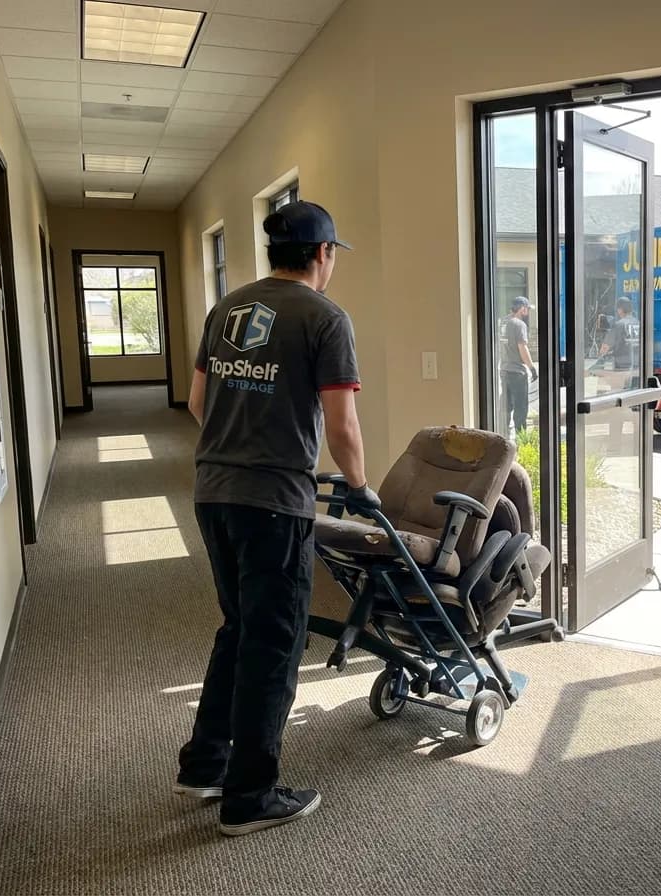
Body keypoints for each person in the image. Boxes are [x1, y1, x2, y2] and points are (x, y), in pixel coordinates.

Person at [176, 200, 379, 837]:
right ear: (323, 254)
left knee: (239, 626)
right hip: (272, 504)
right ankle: (250, 797)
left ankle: (206, 762)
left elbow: (197, 401)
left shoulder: (227, 308)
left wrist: (238, 444)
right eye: (332, 255)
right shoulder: (325, 318)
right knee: (275, 641)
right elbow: (342, 425)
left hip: (213, 492)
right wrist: (360, 486)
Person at [498, 296, 537, 436]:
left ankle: (502, 436)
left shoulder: (503, 322)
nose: (528, 312)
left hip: (504, 370)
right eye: (527, 309)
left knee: (506, 406)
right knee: (521, 408)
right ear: (522, 308)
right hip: (517, 372)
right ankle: (521, 439)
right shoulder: (519, 324)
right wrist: (532, 368)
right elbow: (523, 348)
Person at [599, 297, 641, 383]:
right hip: (637, 366)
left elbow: (605, 348)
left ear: (620, 310)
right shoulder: (638, 323)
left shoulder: (619, 325)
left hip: (622, 368)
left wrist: (600, 356)